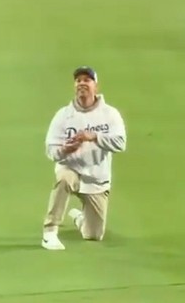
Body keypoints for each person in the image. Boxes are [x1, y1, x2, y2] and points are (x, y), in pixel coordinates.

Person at [41, 66, 127, 250]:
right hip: (71, 168)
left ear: (96, 86)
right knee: (64, 179)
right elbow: (50, 150)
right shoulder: (64, 115)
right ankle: (50, 232)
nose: (81, 84)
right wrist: (65, 150)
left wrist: (94, 137)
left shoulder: (110, 114)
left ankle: (81, 218)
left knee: (94, 235)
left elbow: (120, 143)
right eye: (78, 81)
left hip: (97, 178)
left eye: (86, 80)